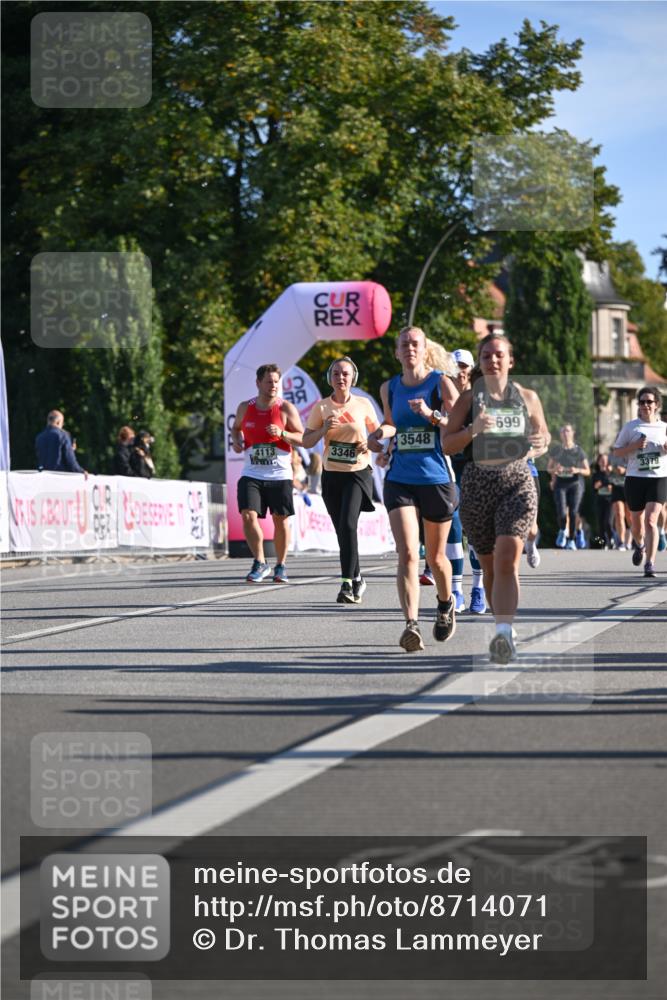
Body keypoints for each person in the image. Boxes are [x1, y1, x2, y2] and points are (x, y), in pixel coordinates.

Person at [442, 333, 549, 664]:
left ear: (510, 360)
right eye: (486, 356)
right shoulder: (468, 398)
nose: (492, 360)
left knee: (506, 559)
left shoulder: (528, 397)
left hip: (517, 480)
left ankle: (503, 633)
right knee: (488, 566)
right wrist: (474, 429)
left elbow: (543, 438)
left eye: (498, 355)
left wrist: (539, 441)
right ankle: (503, 622)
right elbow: (447, 444)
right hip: (477, 484)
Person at [369, 326, 459, 652]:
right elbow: (392, 422)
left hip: (435, 478)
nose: (409, 348)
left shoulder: (440, 382)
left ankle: (446, 603)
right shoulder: (390, 387)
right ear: (397, 352)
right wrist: (379, 433)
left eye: (415, 344)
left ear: (424, 350)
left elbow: (458, 423)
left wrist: (431, 414)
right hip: (400, 478)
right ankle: (411, 624)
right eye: (404, 344)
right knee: (408, 552)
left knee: (436, 558)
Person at [303, 357, 379, 603]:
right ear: (330, 378)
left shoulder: (363, 404)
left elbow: (379, 434)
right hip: (331, 474)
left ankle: (346, 584)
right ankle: (357, 578)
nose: (341, 378)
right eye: (336, 373)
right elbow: (306, 441)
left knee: (347, 524)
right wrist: (324, 429)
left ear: (352, 377)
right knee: (342, 530)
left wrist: (371, 442)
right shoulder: (321, 407)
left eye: (345, 373)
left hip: (358, 472)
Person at [231, 363, 304, 584]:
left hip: (279, 474)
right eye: (269, 381)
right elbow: (236, 428)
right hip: (252, 472)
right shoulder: (245, 407)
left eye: (276, 382)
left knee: (280, 520)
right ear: (258, 383)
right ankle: (260, 561)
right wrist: (237, 441)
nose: (273, 385)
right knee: (247, 515)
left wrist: (282, 433)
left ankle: (280, 566)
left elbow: (302, 438)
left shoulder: (285, 409)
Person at [611, 386, 667, 578]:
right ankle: (640, 544)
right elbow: (616, 452)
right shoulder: (631, 427)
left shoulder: (664, 428)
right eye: (642, 402)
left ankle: (650, 564)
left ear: (656, 405)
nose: (645, 405)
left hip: (658, 478)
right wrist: (633, 446)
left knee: (651, 520)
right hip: (635, 478)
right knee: (636, 525)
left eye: (649, 402)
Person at [547, 424, 590, 550]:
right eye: (563, 431)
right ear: (560, 435)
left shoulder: (578, 451)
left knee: (573, 512)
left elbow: (587, 471)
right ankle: (562, 530)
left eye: (567, 431)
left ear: (572, 433)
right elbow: (549, 468)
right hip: (561, 484)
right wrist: (555, 469)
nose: (565, 433)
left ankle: (572, 539)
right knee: (561, 511)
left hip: (576, 484)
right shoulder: (556, 450)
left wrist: (576, 469)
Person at [35, 409, 86, 474]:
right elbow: (70, 461)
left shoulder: (39, 437)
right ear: (58, 422)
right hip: (59, 477)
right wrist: (82, 471)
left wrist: (70, 449)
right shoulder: (63, 435)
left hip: (44, 476)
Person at [592, 453, 614, 548]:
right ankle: (602, 544)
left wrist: (606, 484)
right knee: (600, 525)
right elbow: (594, 487)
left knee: (608, 522)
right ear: (598, 462)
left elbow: (614, 487)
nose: (603, 462)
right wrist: (601, 484)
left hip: (610, 502)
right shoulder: (596, 474)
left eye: (605, 460)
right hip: (599, 501)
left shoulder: (611, 473)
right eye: (601, 460)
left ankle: (611, 539)